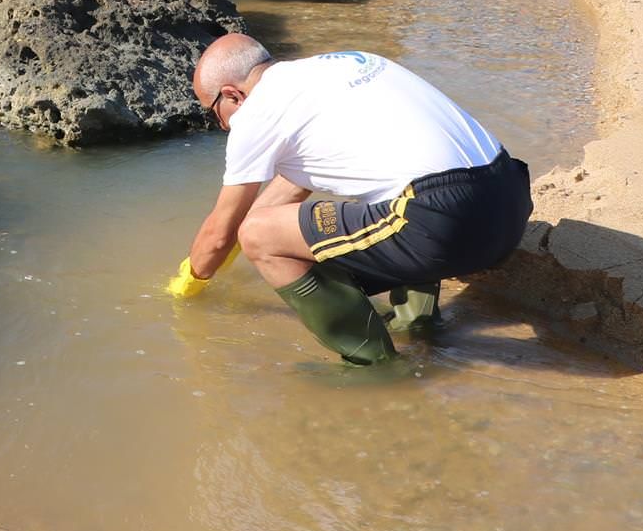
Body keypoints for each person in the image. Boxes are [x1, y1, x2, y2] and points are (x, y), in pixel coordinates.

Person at [169, 33, 533, 366]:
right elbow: (283, 195)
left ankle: (373, 363)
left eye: (212, 111)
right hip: (508, 200)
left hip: (444, 222)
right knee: (387, 196)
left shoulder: (257, 112)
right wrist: (230, 240)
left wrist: (186, 289)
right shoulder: (345, 64)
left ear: (232, 95)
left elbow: (224, 230)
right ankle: (417, 322)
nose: (220, 125)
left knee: (258, 235)